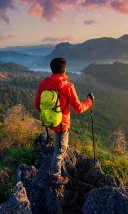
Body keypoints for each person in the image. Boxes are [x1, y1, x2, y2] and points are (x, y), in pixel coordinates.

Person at [34, 57, 94, 186]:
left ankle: (56, 167)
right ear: (64, 70)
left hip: (50, 122)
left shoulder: (44, 84)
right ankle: (55, 176)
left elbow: (37, 105)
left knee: (58, 144)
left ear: (52, 69)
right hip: (62, 124)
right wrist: (89, 101)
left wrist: (49, 114)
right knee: (60, 151)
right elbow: (78, 108)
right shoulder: (68, 86)